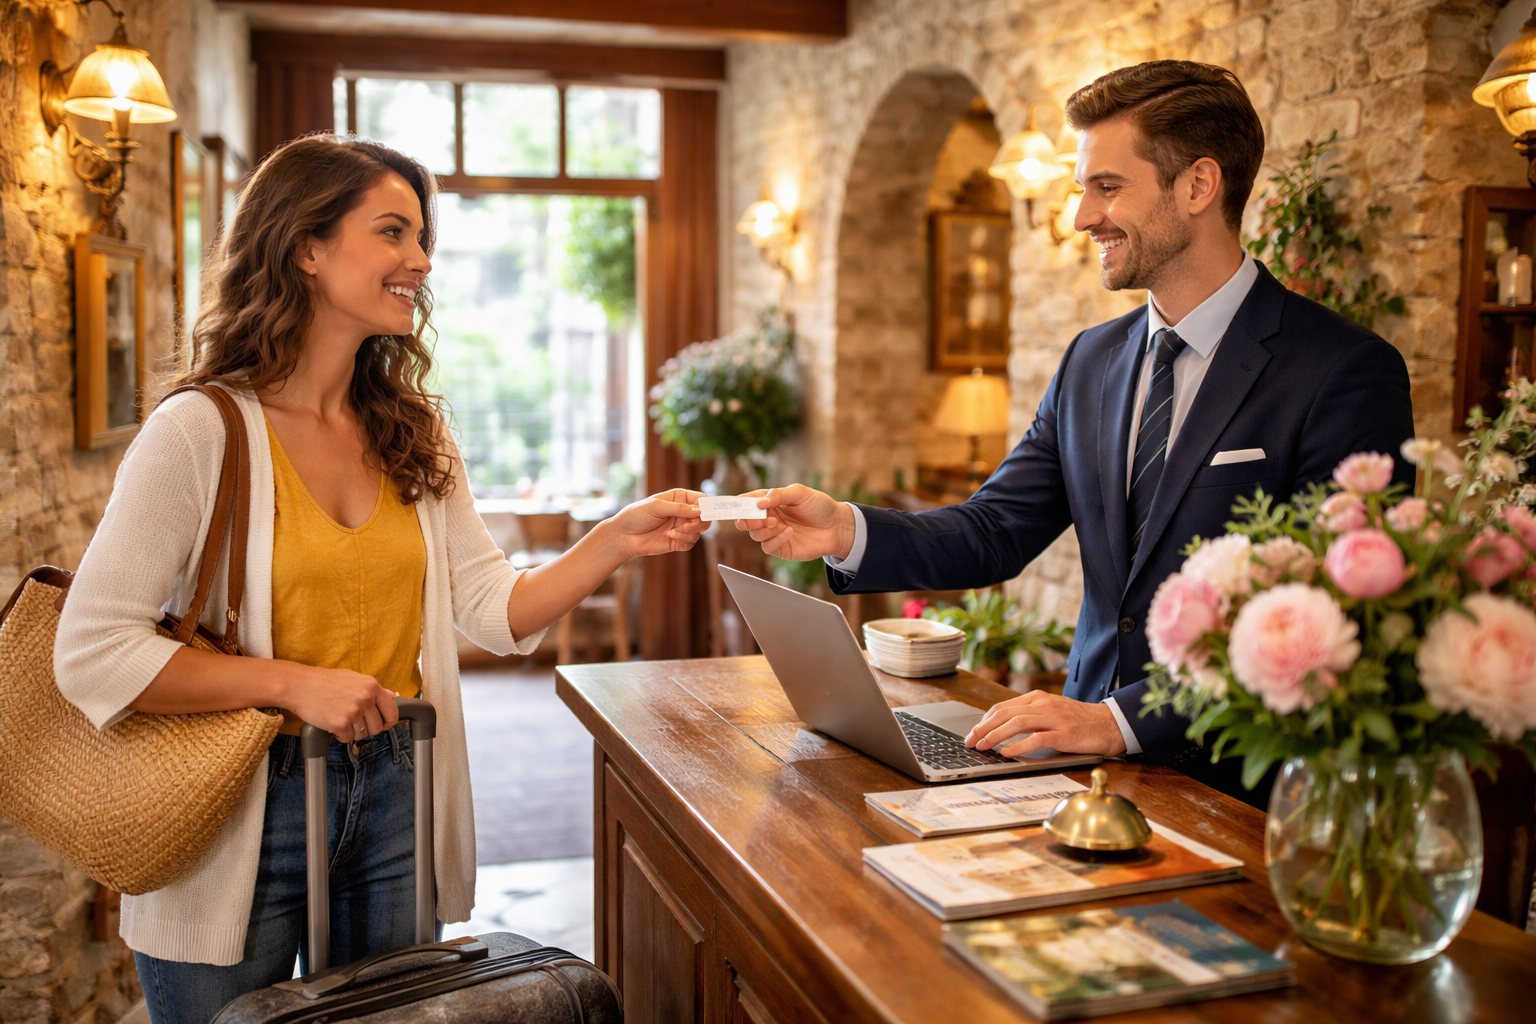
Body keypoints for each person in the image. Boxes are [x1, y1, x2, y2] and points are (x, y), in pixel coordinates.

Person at [54, 135, 706, 1024]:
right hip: (239, 800)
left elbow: (492, 610)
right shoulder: (199, 432)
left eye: (422, 236)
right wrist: (294, 686)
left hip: (398, 785)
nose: (421, 260)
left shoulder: (415, 430)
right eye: (393, 232)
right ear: (306, 247)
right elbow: (92, 652)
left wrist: (612, 541)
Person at [737, 61, 1414, 804]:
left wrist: (1119, 720)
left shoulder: (1343, 371)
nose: (1082, 216)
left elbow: (1331, 621)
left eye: (1107, 186)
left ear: (1197, 186)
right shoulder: (1091, 359)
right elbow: (997, 528)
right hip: (1078, 780)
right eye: (1082, 188)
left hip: (1241, 795)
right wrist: (846, 530)